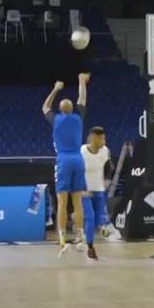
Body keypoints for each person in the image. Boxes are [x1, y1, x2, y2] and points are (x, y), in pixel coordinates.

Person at [42, 73, 90, 257]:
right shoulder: (78, 118)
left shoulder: (56, 120)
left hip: (63, 160)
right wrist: (81, 81)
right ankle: (80, 235)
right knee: (77, 200)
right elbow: (83, 98)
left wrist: (55, 88)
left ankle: (61, 236)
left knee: (62, 201)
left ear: (61, 110)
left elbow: (45, 107)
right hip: (78, 159)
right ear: (72, 109)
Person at [80, 126, 113, 261]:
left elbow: (109, 167)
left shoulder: (106, 151)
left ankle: (87, 232)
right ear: (94, 138)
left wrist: (107, 180)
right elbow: (76, 171)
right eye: (102, 139)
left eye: (105, 138)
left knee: (98, 221)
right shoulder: (82, 151)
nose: (104, 141)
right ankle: (90, 247)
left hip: (99, 190)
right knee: (90, 217)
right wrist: (80, 188)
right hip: (85, 191)